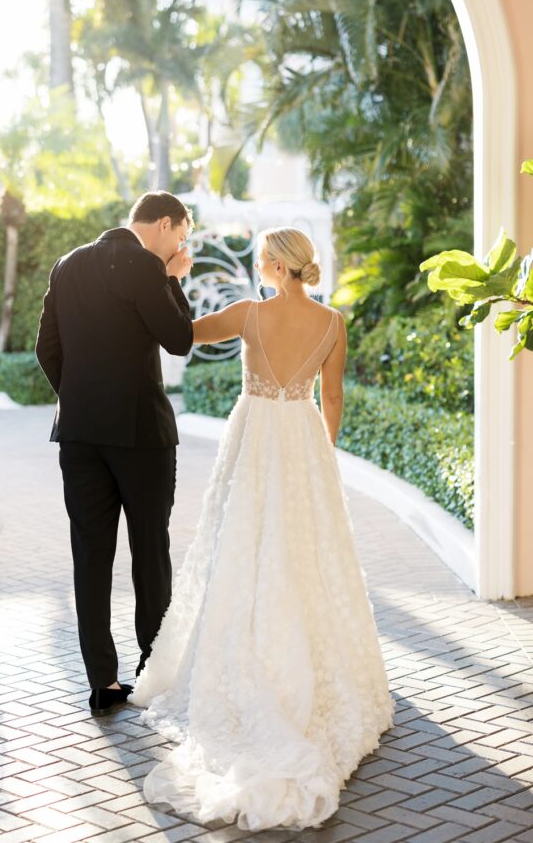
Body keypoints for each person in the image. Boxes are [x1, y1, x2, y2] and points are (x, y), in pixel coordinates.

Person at [130, 226, 394, 832]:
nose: (256, 265)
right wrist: (320, 453)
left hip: (253, 440)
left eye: (259, 258)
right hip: (302, 441)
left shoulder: (248, 314)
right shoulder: (332, 323)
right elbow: (333, 398)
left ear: (275, 264)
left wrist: (171, 278)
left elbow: (184, 336)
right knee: (306, 554)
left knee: (241, 545)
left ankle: (249, 646)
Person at [35, 191, 194, 716]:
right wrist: (173, 277)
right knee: (150, 552)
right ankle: (151, 671)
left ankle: (102, 682)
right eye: (181, 237)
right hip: (140, 436)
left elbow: (46, 350)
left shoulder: (67, 265)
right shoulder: (146, 266)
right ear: (165, 225)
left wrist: (79, 401)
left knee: (91, 556)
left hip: (78, 435)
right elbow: (178, 339)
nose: (180, 246)